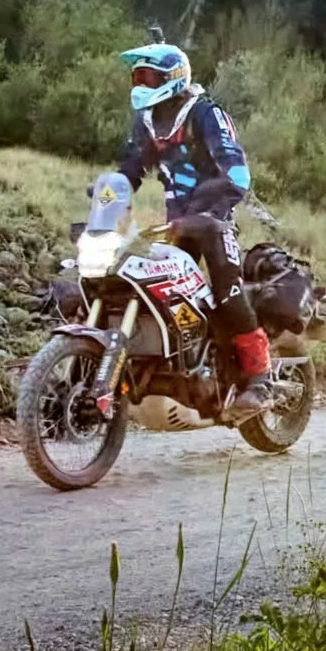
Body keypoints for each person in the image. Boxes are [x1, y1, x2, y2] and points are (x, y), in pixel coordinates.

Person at [116, 36, 274, 419]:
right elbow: (130, 170)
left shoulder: (205, 113)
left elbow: (236, 173)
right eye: (137, 78)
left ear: (173, 77)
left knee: (227, 293)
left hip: (212, 220)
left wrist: (208, 213)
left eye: (149, 79)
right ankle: (179, 369)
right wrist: (108, 195)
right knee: (155, 294)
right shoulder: (148, 122)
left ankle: (261, 380)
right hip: (176, 226)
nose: (141, 86)